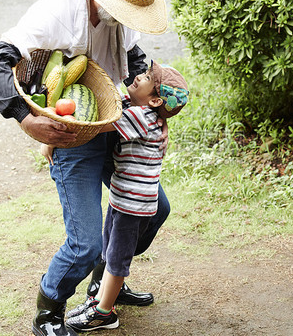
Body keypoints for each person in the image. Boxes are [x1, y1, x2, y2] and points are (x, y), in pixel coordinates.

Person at [0, 0, 172, 335]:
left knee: (153, 210)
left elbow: (132, 60)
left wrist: (158, 105)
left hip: (113, 125)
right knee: (85, 242)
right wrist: (25, 117)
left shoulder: (123, 17)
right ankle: (48, 313)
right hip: (71, 132)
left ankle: (104, 287)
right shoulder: (59, 10)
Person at [40, 61, 188, 331]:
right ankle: (94, 296)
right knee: (105, 247)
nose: (138, 76)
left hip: (132, 206)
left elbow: (95, 124)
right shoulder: (142, 111)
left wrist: (52, 136)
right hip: (124, 200)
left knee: (116, 257)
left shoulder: (139, 116)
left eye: (145, 78)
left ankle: (103, 311)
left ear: (155, 100)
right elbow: (122, 101)